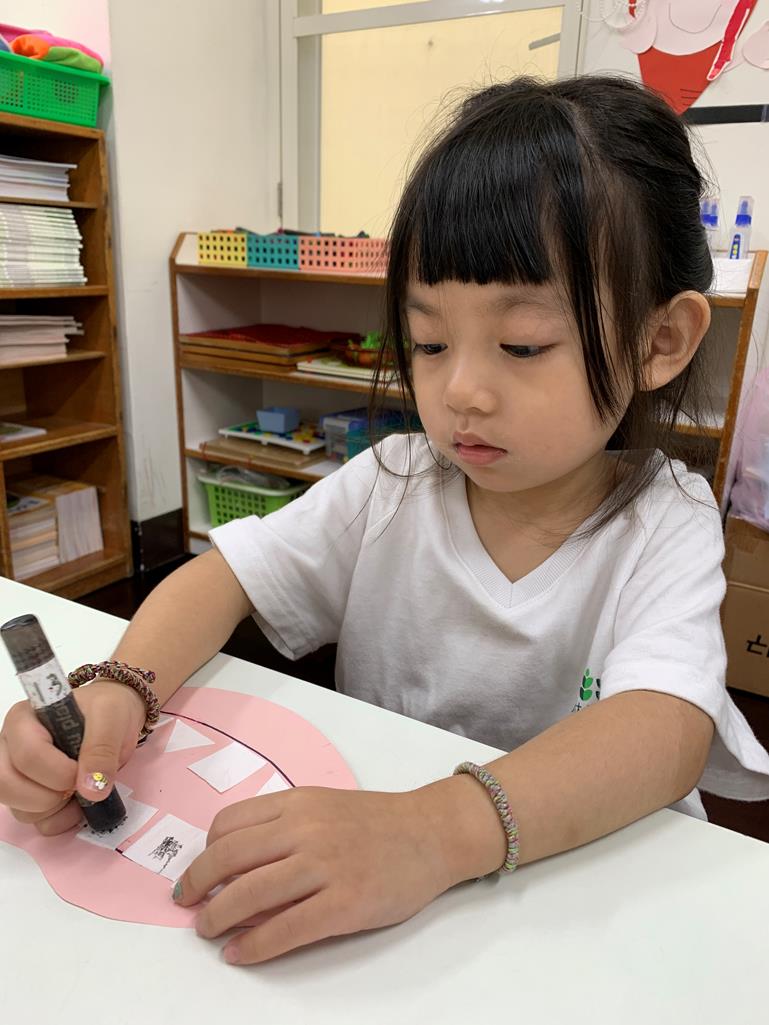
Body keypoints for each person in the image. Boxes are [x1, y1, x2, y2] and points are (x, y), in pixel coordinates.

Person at [2, 75, 768, 965]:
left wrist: (432, 831)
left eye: (522, 344)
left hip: (588, 912)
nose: (459, 390)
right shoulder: (392, 481)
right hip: (388, 911)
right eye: (429, 341)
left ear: (658, 341)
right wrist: (119, 688)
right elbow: (222, 577)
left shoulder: (665, 519)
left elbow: (663, 731)